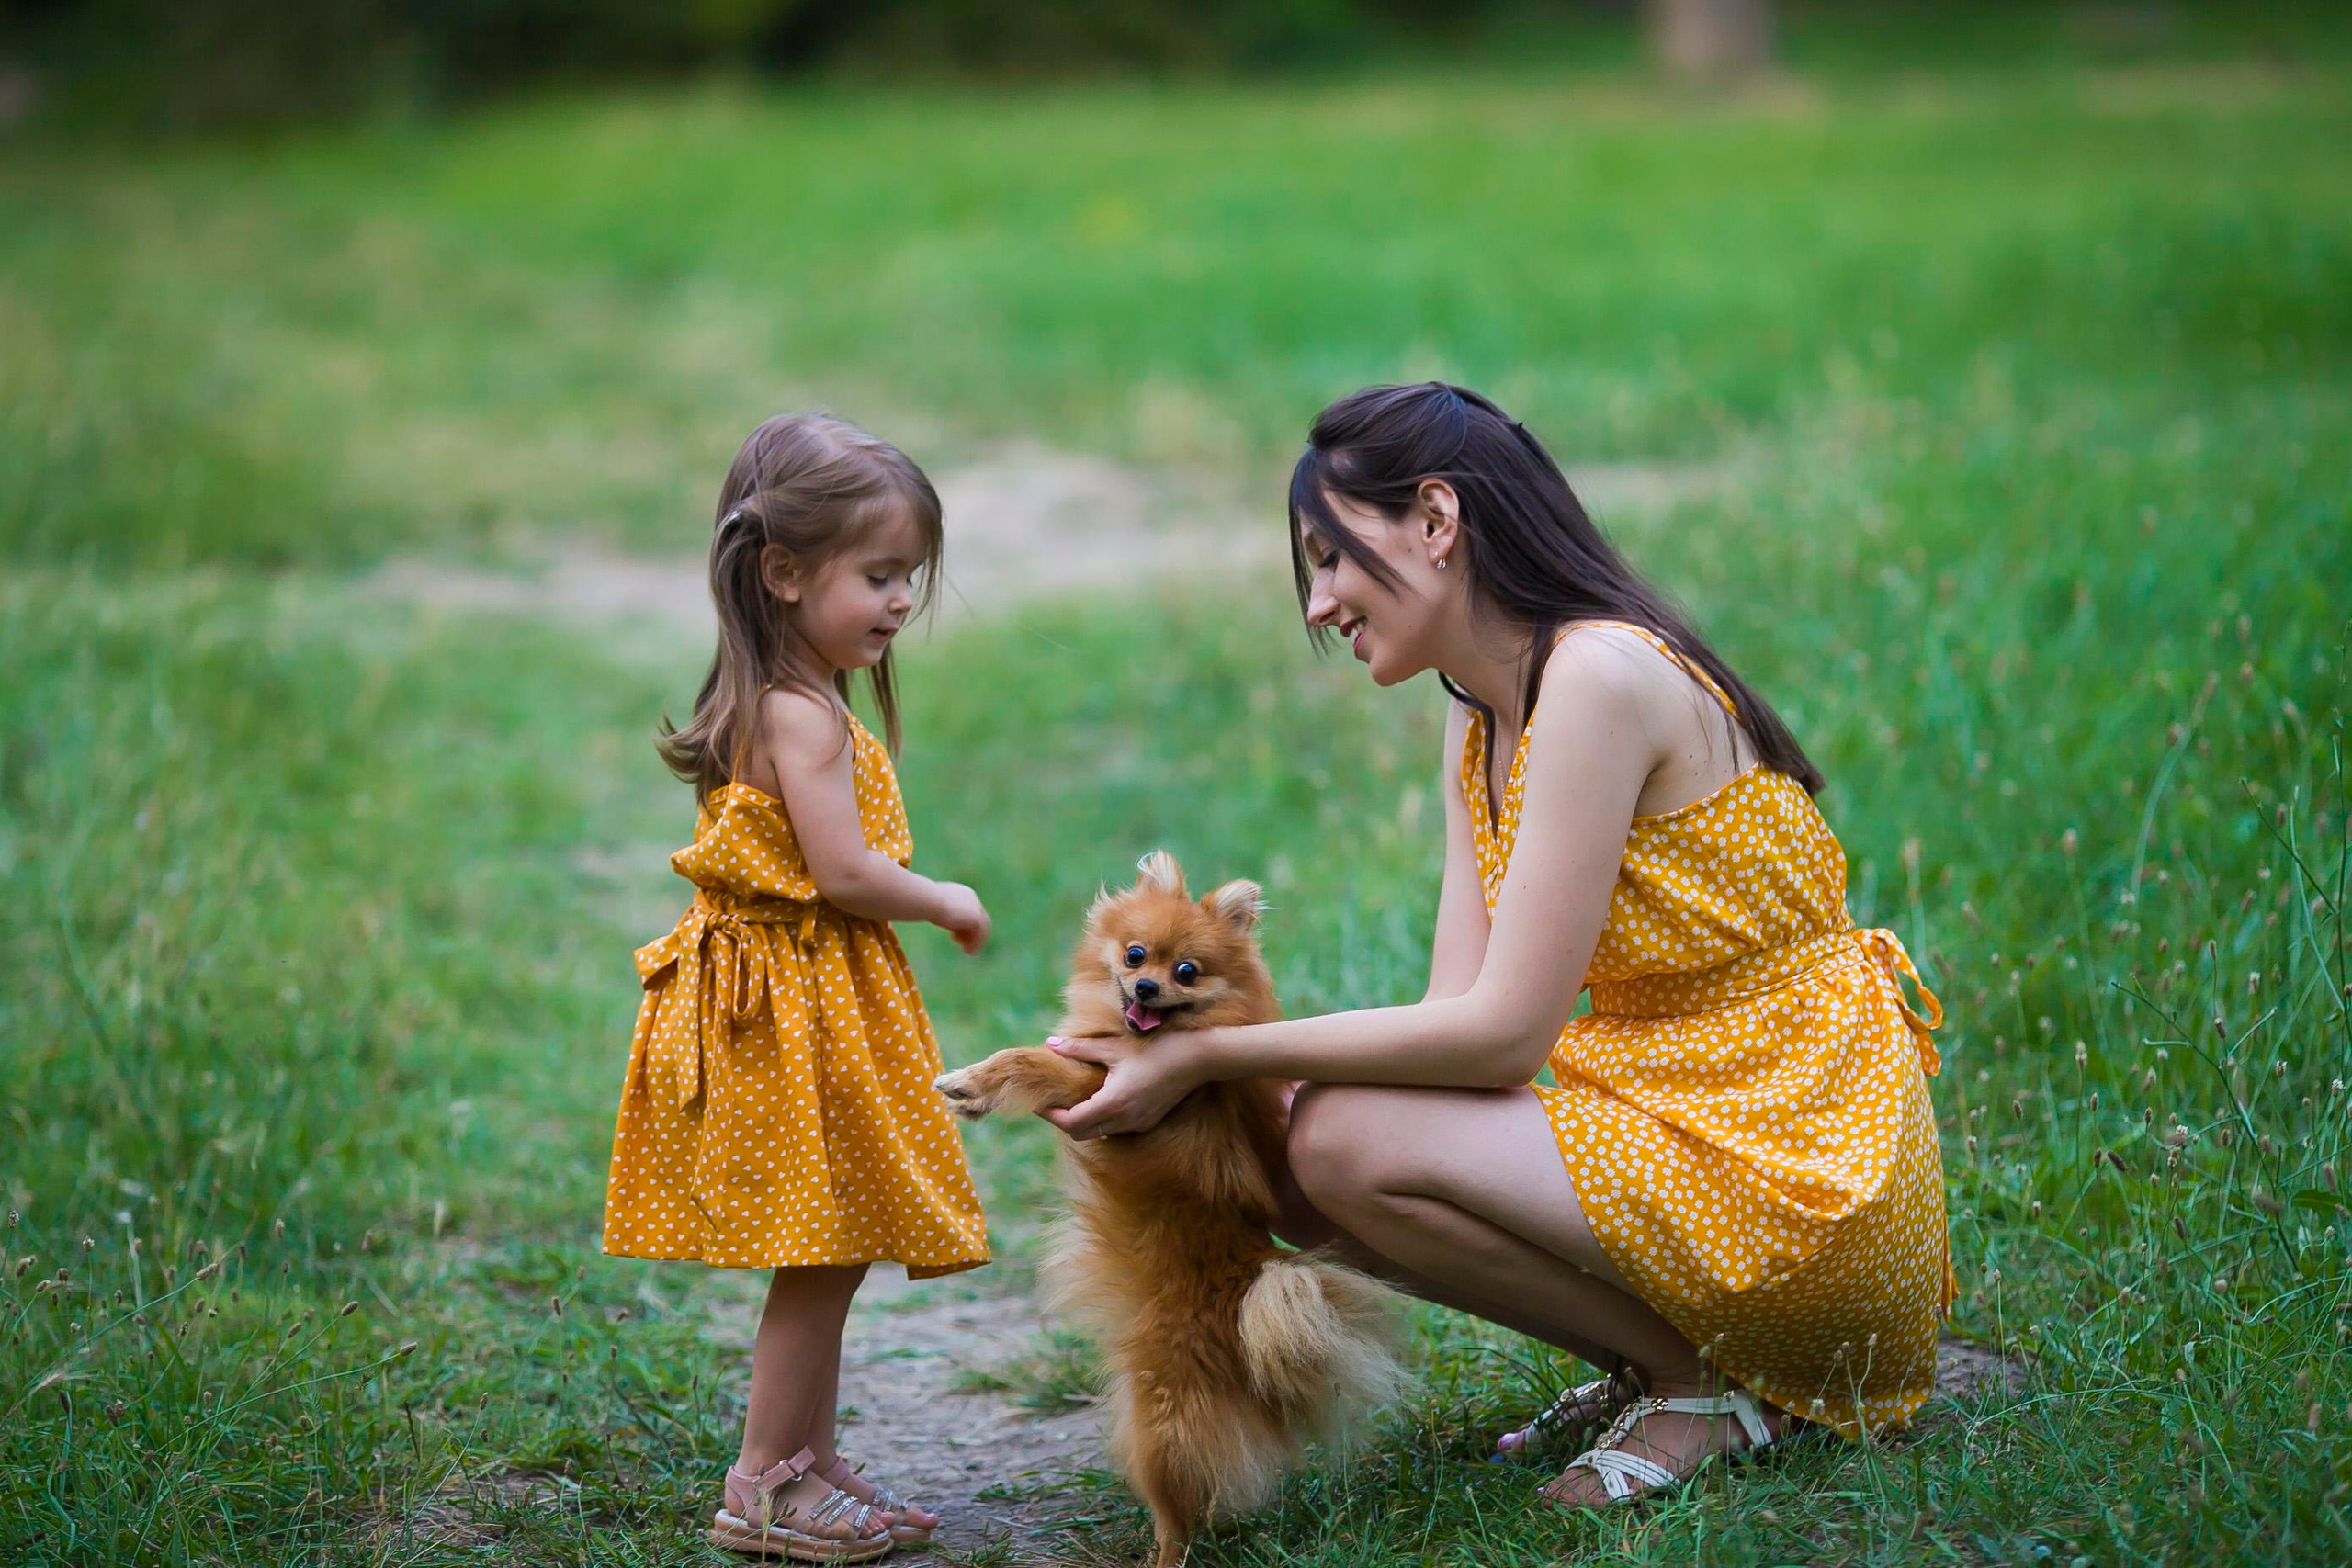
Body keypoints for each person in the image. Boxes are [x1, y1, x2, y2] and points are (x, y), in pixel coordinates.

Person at [1044, 381, 1951, 1508]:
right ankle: (1656, 1366)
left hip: (1802, 1167)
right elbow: (1452, 1011)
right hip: (1689, 1112)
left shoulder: (1596, 676)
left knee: (1342, 1133)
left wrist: (1209, 1058)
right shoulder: (1481, 709)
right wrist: (1230, 1083)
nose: (1320, 603)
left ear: (1435, 522)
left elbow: (1503, 1038)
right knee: (1304, 1152)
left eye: (1330, 557)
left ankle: (1704, 1388)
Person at [604, 412, 993, 1560]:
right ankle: (764, 1483)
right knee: (819, 1256)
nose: (901, 601)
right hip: (794, 1013)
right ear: (783, 573)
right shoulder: (801, 715)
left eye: (909, 578)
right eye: (878, 576)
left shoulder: (770, 694)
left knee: (831, 1247)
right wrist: (944, 898)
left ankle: (809, 1465)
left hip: (794, 1006)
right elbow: (843, 873)